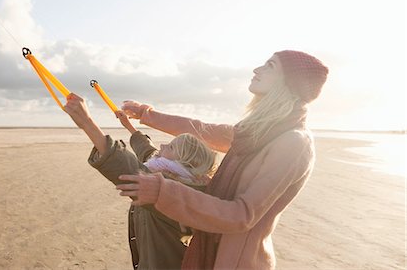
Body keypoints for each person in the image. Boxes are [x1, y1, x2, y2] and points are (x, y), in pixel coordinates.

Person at [116, 50, 329, 270]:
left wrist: (163, 191)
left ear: (290, 82)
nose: (257, 70)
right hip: (209, 250)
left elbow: (242, 215)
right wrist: (146, 115)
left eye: (270, 66)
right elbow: (202, 130)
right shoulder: (256, 131)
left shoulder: (293, 143)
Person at [63, 94, 217, 269]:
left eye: (171, 147)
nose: (162, 146)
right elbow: (147, 151)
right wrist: (128, 126)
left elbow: (126, 167)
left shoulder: (175, 193)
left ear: (185, 162)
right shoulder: (172, 173)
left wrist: (87, 123)